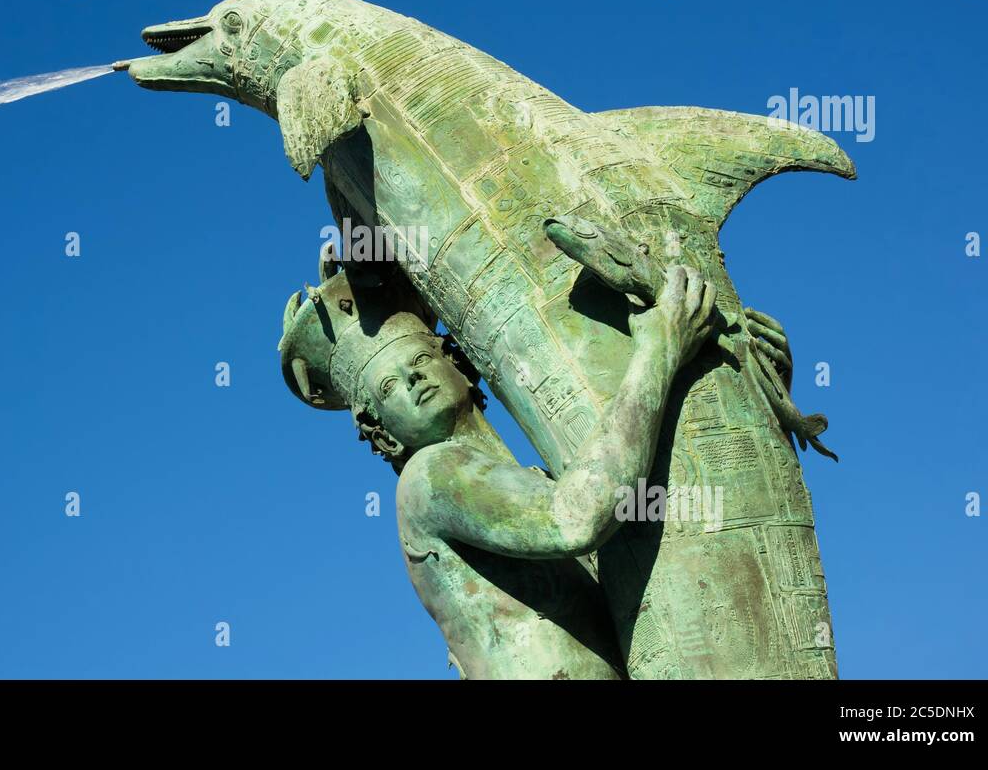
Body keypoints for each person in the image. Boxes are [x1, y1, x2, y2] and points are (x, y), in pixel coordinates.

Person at [279, 245, 720, 678]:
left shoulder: (526, 483)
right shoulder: (429, 477)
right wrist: (659, 350)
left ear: (456, 363)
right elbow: (577, 518)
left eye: (418, 359)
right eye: (389, 387)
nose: (412, 379)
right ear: (384, 431)